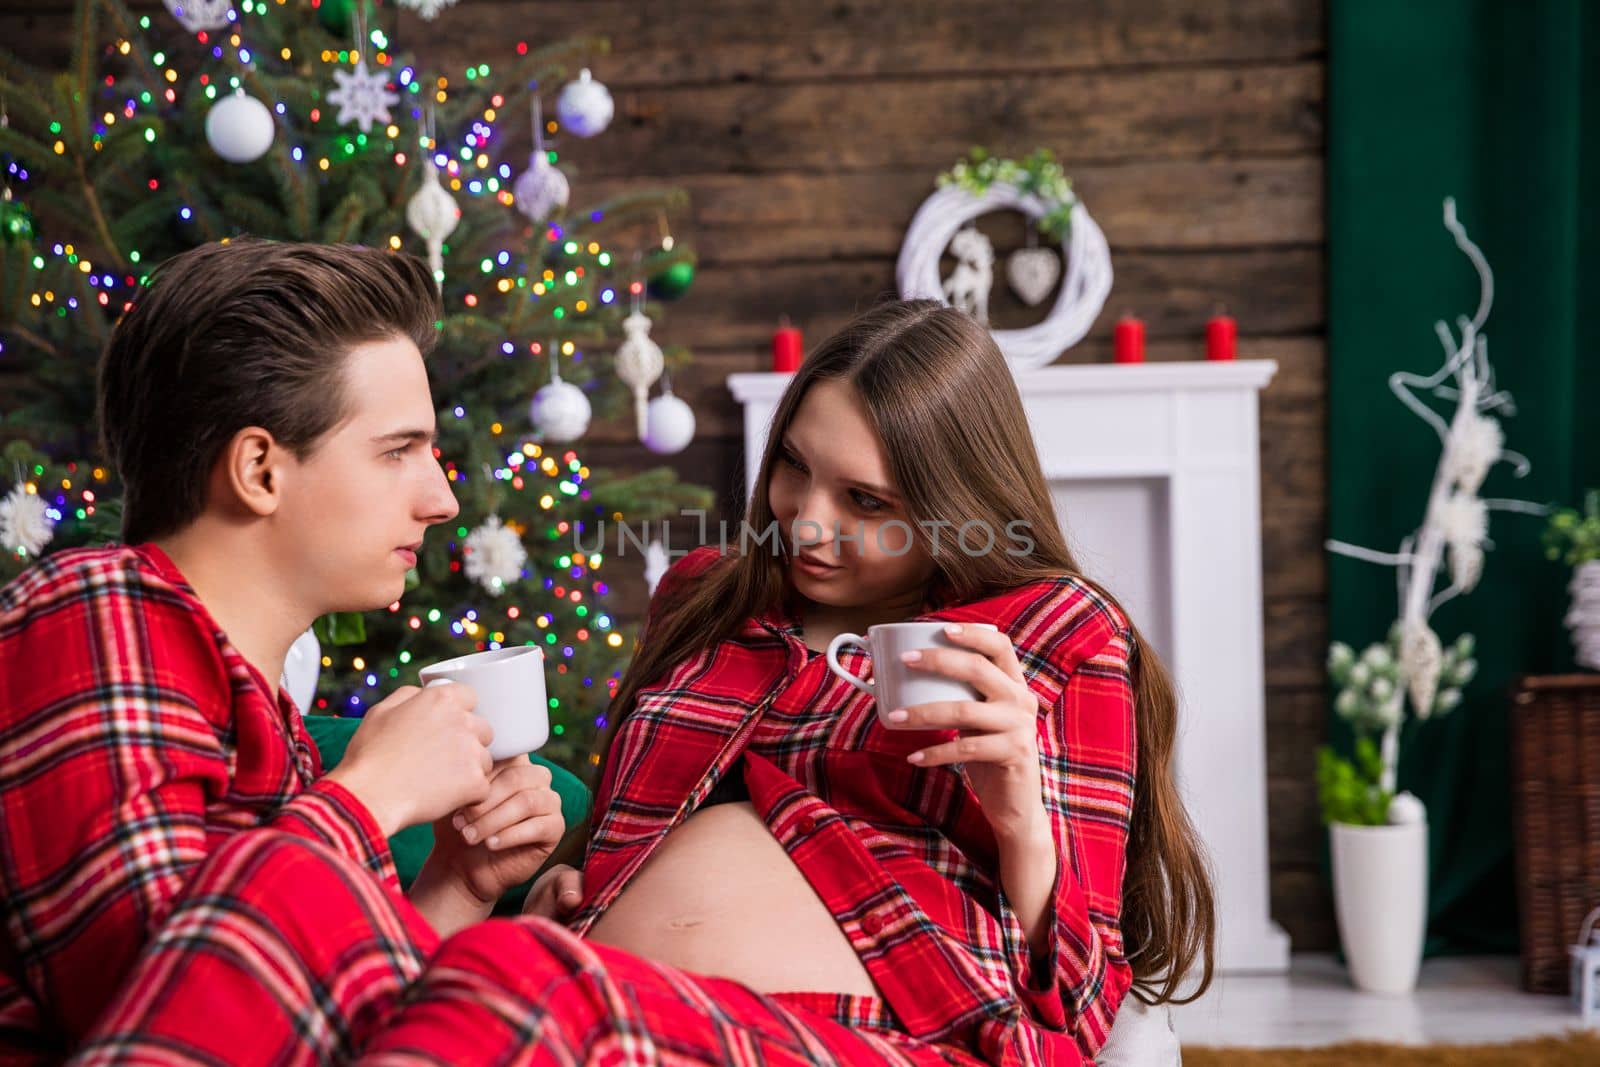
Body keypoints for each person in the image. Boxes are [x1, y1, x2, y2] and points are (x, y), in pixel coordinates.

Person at [67, 300, 1214, 1067]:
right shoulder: (713, 599)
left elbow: (1076, 1003)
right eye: (795, 474)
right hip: (624, 997)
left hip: (890, 1033)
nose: (806, 524)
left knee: (505, 986)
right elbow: (626, 838)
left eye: (866, 503)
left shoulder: (1051, 632)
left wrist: (1026, 829)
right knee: (443, 979)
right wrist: (570, 881)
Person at [0, 240, 566, 1062]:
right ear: (260, 469)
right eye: (397, 450)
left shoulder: (273, 728)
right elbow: (160, 1027)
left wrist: (457, 885)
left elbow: (341, 1033)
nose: (442, 499)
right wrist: (372, 793)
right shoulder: (89, 612)